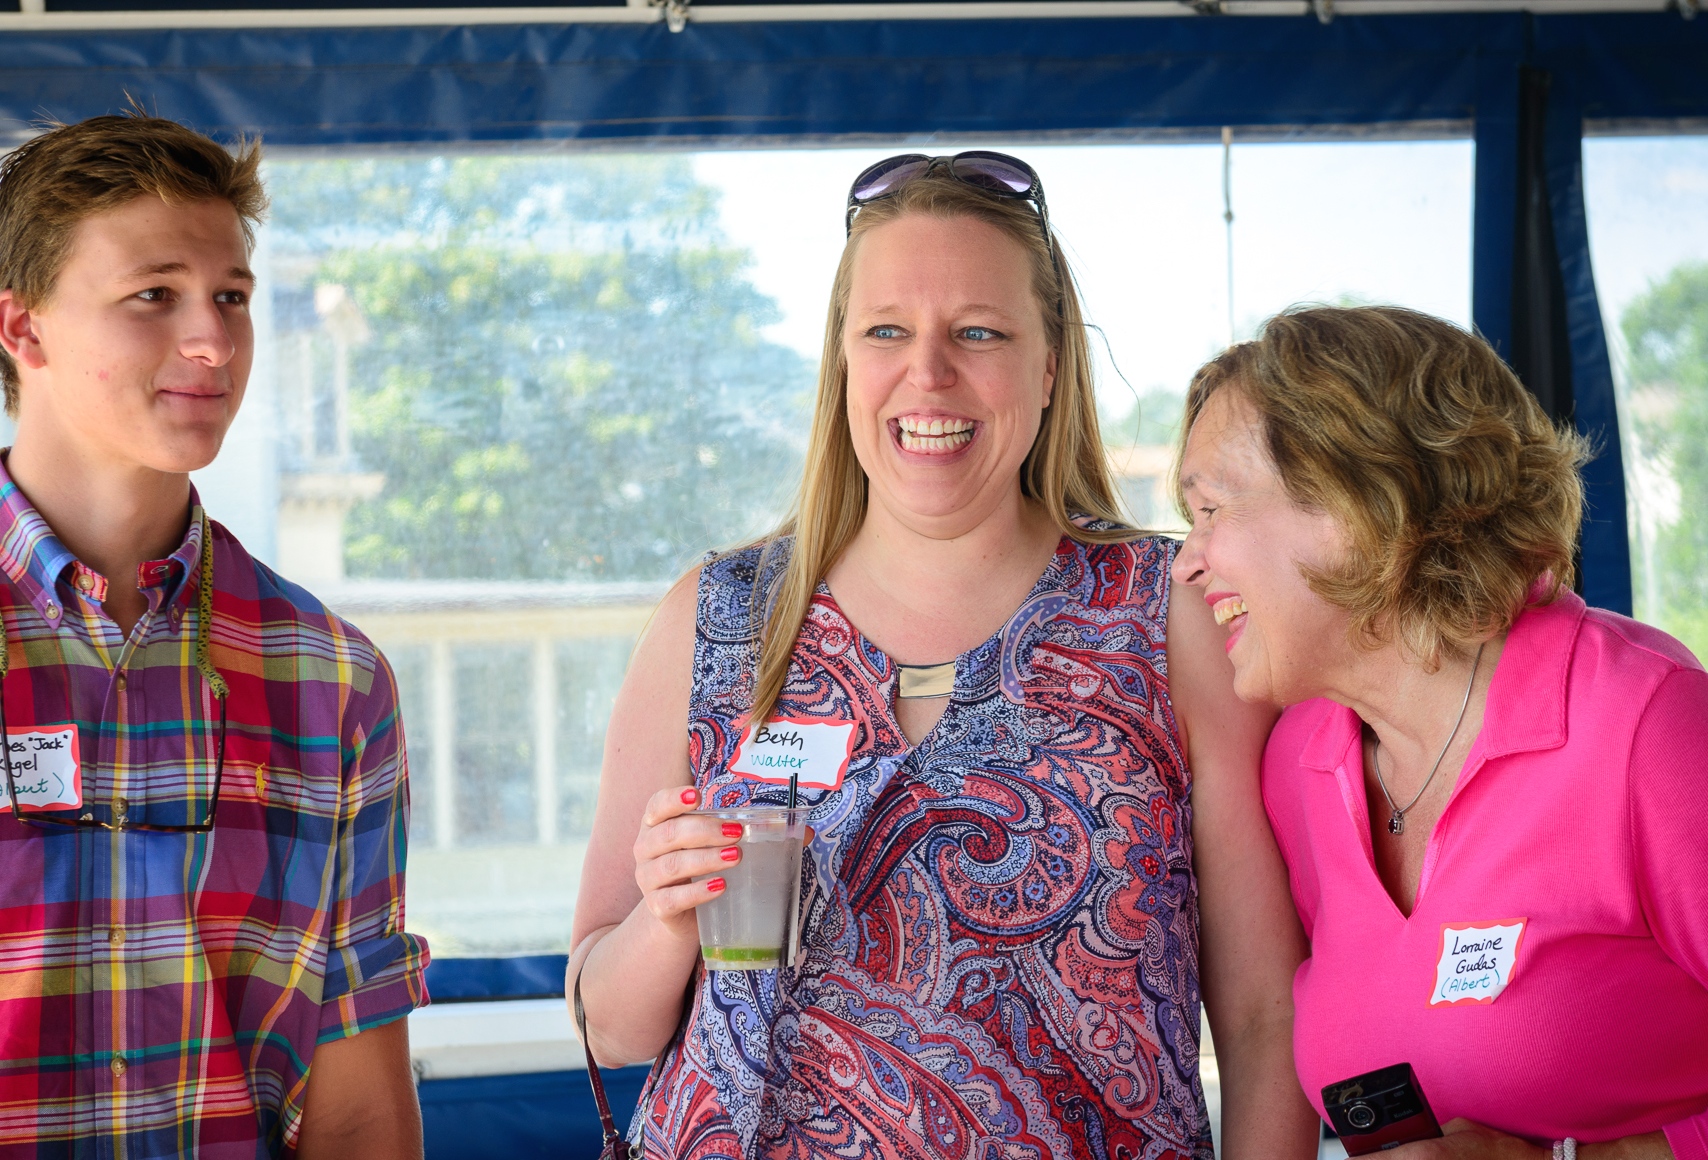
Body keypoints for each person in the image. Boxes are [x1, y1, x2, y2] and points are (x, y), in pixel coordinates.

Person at [569, 152, 1319, 1159]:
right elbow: (606, 1026)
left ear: (1049, 366)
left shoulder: (1168, 613)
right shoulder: (716, 621)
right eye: (887, 330)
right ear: (842, 360)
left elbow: (1267, 1017)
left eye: (978, 331)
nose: (928, 371)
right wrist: (666, 920)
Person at [1171, 304, 1708, 1160]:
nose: (1186, 559)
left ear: (1357, 504)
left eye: (1213, 510)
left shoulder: (1649, 727)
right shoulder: (1302, 767)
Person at [0, 114, 428, 1158]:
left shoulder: (334, 679)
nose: (214, 339)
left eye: (230, 296)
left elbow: (362, 1107)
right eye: (155, 294)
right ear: (24, 330)